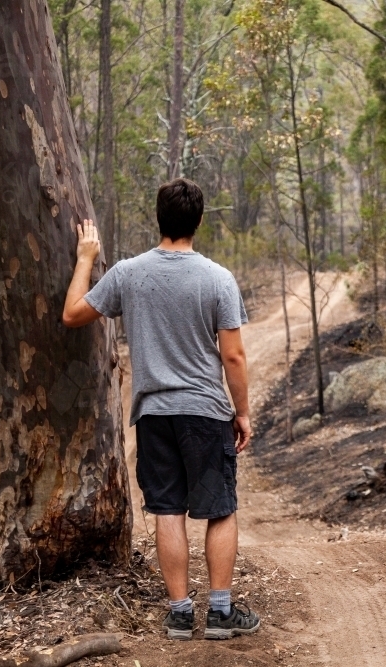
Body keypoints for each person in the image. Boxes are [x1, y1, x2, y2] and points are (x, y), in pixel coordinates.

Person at [62, 178, 260, 641]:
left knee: (167, 509)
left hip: (154, 414)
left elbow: (72, 313)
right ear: (199, 221)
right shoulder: (217, 278)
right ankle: (220, 613)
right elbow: (233, 356)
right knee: (220, 509)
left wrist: (85, 259)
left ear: (158, 218)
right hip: (205, 412)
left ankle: (178, 613)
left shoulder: (130, 273)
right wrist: (243, 412)